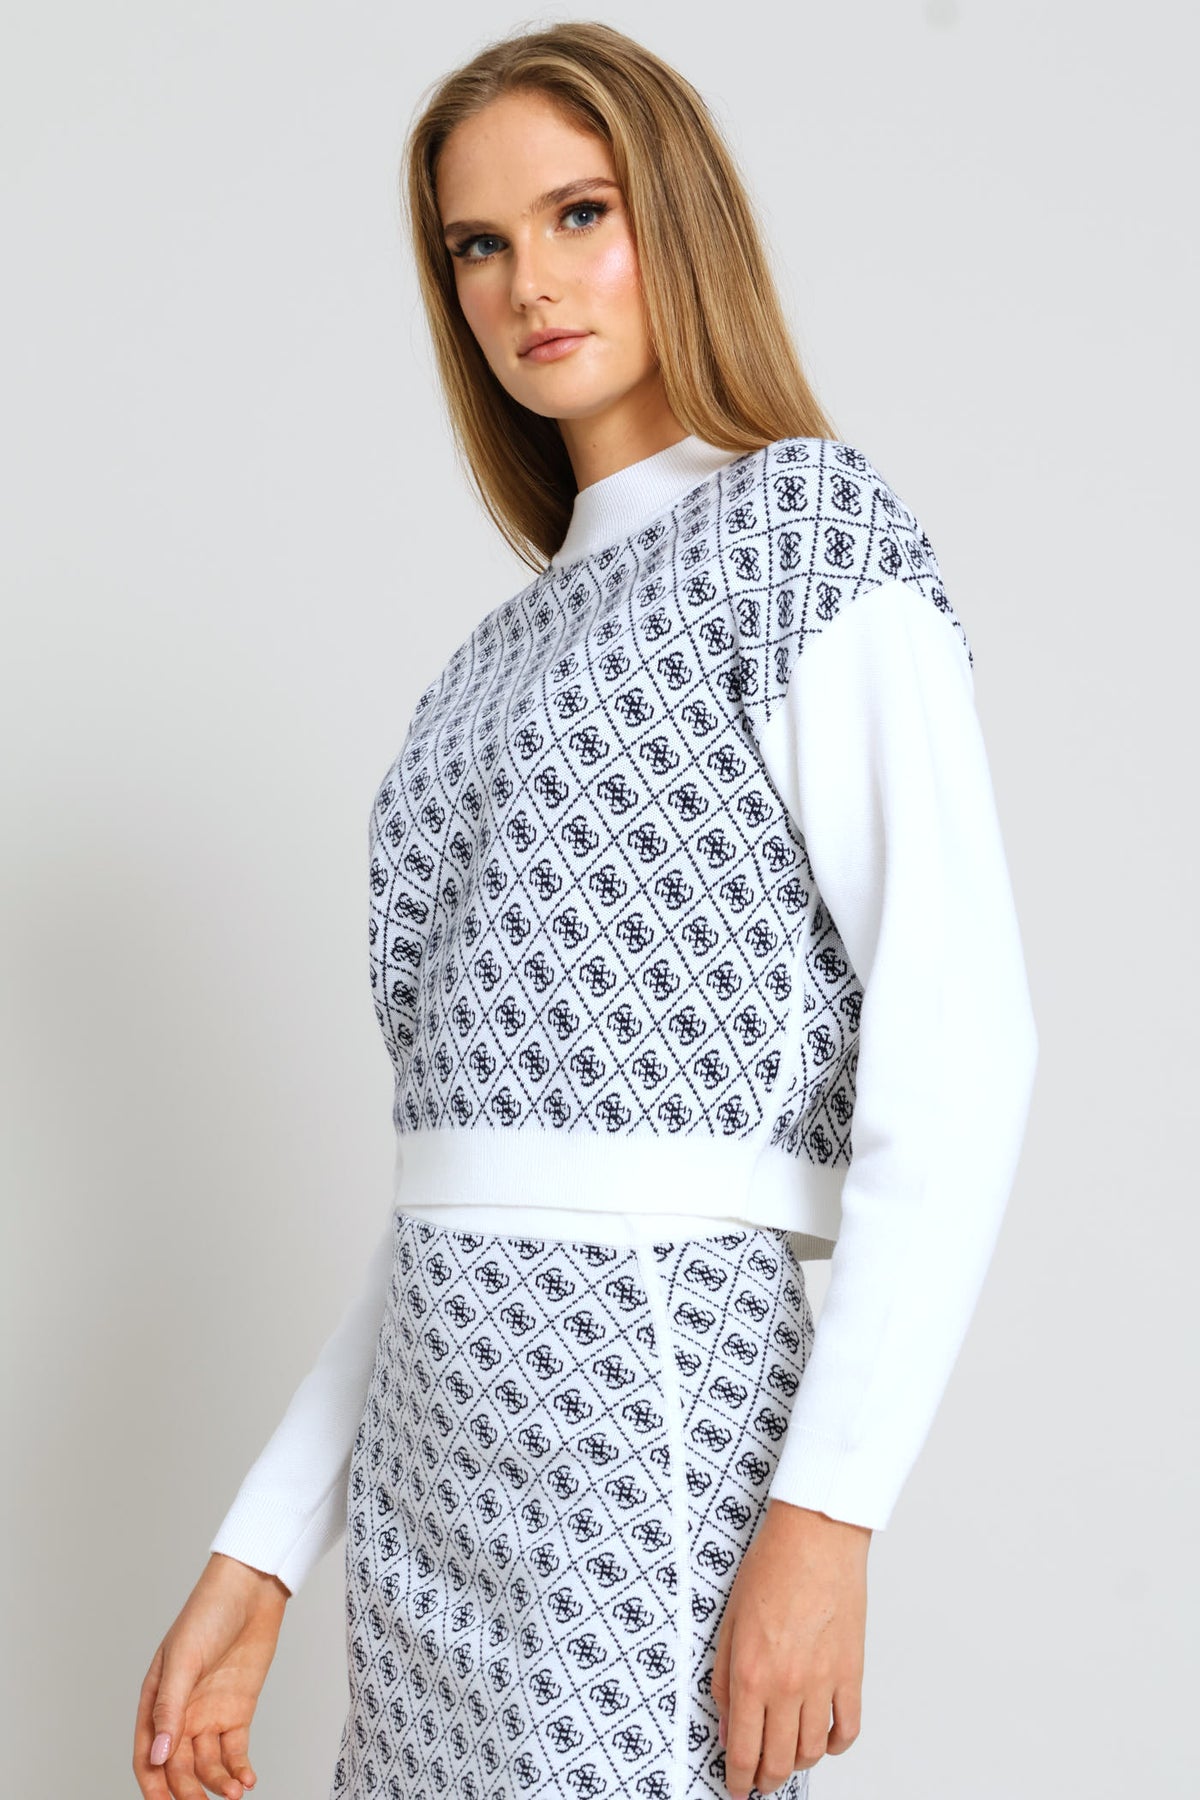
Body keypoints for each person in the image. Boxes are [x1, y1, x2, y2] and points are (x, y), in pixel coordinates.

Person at [132, 21, 1038, 1800]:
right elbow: (466, 1177)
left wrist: (829, 1513)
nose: (527, 284)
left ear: (675, 216)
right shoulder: (485, 666)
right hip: (430, 1457)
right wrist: (264, 1547)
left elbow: (965, 1049)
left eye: (578, 214)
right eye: (478, 244)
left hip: (644, 1414)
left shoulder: (803, 533)